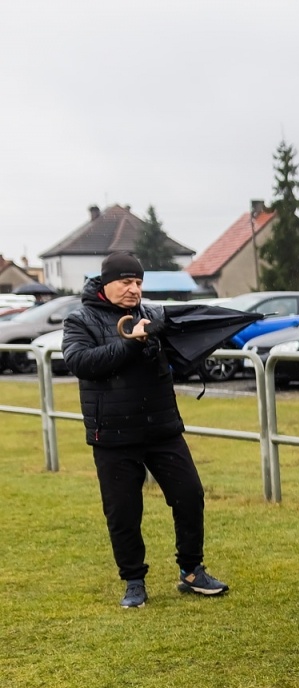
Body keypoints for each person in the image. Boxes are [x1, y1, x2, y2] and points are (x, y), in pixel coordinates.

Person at [62, 252, 229, 607]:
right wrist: (130, 342)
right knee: (123, 512)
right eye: (126, 282)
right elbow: (81, 363)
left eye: (138, 282)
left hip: (162, 427)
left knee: (189, 496)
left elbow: (175, 362)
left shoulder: (152, 314)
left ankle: (191, 571)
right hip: (112, 435)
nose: (134, 289)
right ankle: (134, 581)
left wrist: (193, 349)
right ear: (106, 283)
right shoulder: (80, 320)